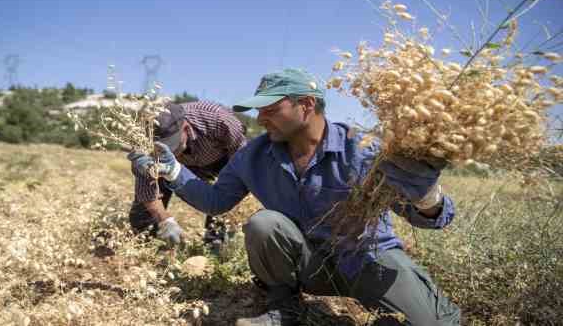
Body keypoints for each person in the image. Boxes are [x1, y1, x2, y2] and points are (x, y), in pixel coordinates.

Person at [129, 69, 461, 326]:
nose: (259, 119)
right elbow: (216, 202)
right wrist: (174, 174)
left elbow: (435, 218)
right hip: (308, 265)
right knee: (264, 223)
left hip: (369, 261)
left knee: (437, 321)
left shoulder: (362, 149)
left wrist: (427, 197)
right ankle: (284, 307)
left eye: (270, 109)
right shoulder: (252, 156)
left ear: (306, 105)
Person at [127, 101, 247, 248]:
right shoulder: (144, 143)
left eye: (173, 146)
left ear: (185, 127)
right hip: (170, 166)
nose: (172, 152)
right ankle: (142, 244)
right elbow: (145, 188)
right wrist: (164, 220)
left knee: (222, 198)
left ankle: (214, 243)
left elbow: (243, 158)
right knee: (142, 214)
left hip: (221, 159)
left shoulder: (218, 119)